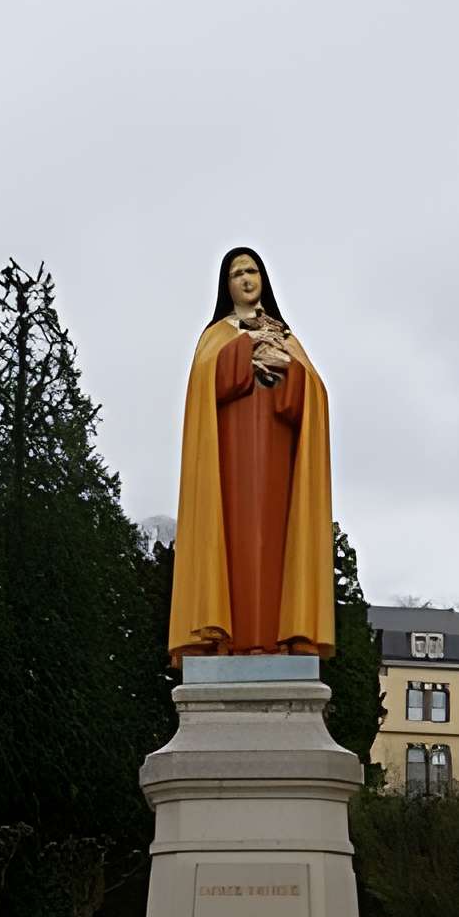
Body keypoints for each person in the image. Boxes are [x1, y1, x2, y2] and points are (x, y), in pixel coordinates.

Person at [167, 246, 335, 661]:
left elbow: (313, 396)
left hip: (277, 456)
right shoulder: (216, 335)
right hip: (231, 457)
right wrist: (246, 351)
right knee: (234, 541)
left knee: (275, 543)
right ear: (226, 286)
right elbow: (205, 384)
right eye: (237, 273)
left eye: (252, 271)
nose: (246, 279)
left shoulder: (285, 334)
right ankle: (228, 639)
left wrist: (288, 371)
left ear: (263, 279)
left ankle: (280, 638)